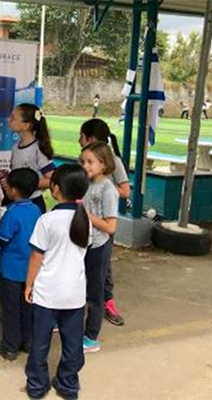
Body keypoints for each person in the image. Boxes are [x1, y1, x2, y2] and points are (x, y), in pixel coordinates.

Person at [24, 163, 91, 400]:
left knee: (40, 343)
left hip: (47, 293)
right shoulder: (86, 220)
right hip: (74, 295)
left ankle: (37, 386)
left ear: (55, 189)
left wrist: (29, 284)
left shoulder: (47, 220)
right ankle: (68, 385)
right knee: (73, 345)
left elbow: (36, 257)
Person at [79, 119, 129, 326]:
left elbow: (125, 191)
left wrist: (102, 193)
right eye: (84, 162)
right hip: (85, 232)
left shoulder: (113, 163)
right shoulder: (85, 163)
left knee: (101, 272)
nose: (78, 140)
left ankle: (106, 305)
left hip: (101, 228)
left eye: (81, 136)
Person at [0, 168, 41, 361]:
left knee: (11, 309)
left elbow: (2, 240)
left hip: (11, 271)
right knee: (28, 307)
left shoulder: (12, 213)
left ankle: (10, 346)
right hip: (31, 271)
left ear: (13, 190)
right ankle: (28, 342)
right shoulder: (36, 210)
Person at [80, 142, 119, 353]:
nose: (85, 166)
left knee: (95, 292)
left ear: (103, 164)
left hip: (98, 245)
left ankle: (91, 336)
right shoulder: (87, 184)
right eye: (83, 161)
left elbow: (111, 226)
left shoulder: (107, 189)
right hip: (83, 243)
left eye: (90, 162)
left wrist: (86, 216)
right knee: (79, 287)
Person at [2, 104, 55, 214]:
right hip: (16, 202)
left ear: (26, 126)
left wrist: (26, 184)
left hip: (33, 204)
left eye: (13, 118)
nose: (9, 119)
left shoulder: (38, 150)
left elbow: (53, 180)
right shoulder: (15, 147)